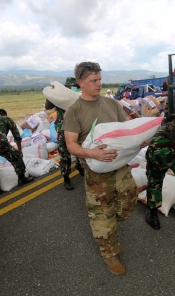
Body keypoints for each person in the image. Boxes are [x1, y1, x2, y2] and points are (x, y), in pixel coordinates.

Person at [63, 62, 140, 276]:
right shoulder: (74, 111)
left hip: (120, 164)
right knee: (101, 213)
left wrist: (138, 141)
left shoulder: (112, 104)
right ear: (81, 83)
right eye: (93, 81)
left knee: (129, 198)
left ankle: (111, 224)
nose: (99, 84)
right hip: (96, 170)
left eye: (100, 80)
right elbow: (71, 145)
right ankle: (109, 252)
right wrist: (93, 153)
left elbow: (125, 131)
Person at [0, 109, 34, 197]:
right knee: (16, 157)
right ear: (4, 114)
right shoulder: (7, 119)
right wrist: (19, 150)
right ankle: (22, 178)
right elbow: (16, 135)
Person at [44, 77, 84, 191]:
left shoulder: (78, 96)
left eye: (75, 86)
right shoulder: (59, 97)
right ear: (66, 87)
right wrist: (50, 94)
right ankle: (66, 177)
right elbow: (47, 107)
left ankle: (79, 166)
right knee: (65, 154)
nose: (73, 88)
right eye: (71, 86)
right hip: (64, 129)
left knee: (80, 151)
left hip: (77, 128)